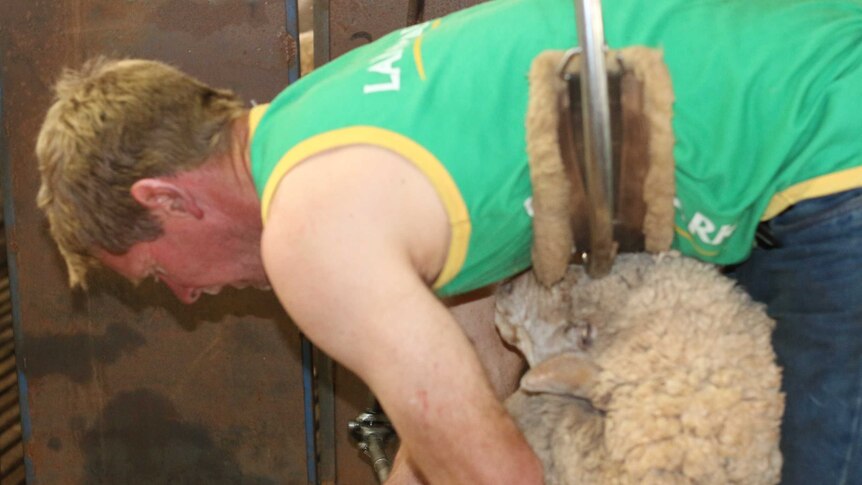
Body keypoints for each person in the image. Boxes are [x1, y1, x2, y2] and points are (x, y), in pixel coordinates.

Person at [35, 0, 862, 483]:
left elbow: (494, 475)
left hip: (826, 139)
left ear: (167, 199)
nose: (184, 296)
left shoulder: (308, 235)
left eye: (153, 271)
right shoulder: (317, 126)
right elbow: (466, 382)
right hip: (803, 109)